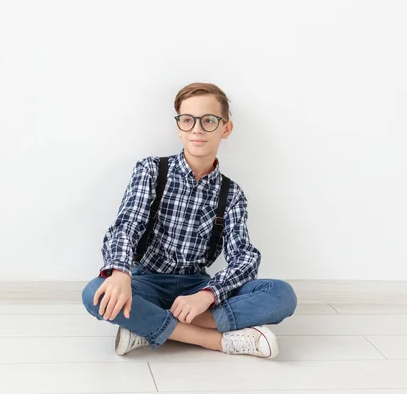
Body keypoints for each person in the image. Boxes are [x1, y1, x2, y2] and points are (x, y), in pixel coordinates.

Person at [82, 82, 297, 358]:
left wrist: (207, 295)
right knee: (94, 292)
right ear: (179, 127)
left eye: (209, 120)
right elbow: (127, 226)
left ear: (225, 128)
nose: (197, 129)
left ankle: (148, 326)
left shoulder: (231, 194)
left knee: (281, 295)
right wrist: (121, 272)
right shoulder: (151, 170)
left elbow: (244, 257)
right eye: (188, 120)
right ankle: (216, 341)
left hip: (197, 287)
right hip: (147, 282)